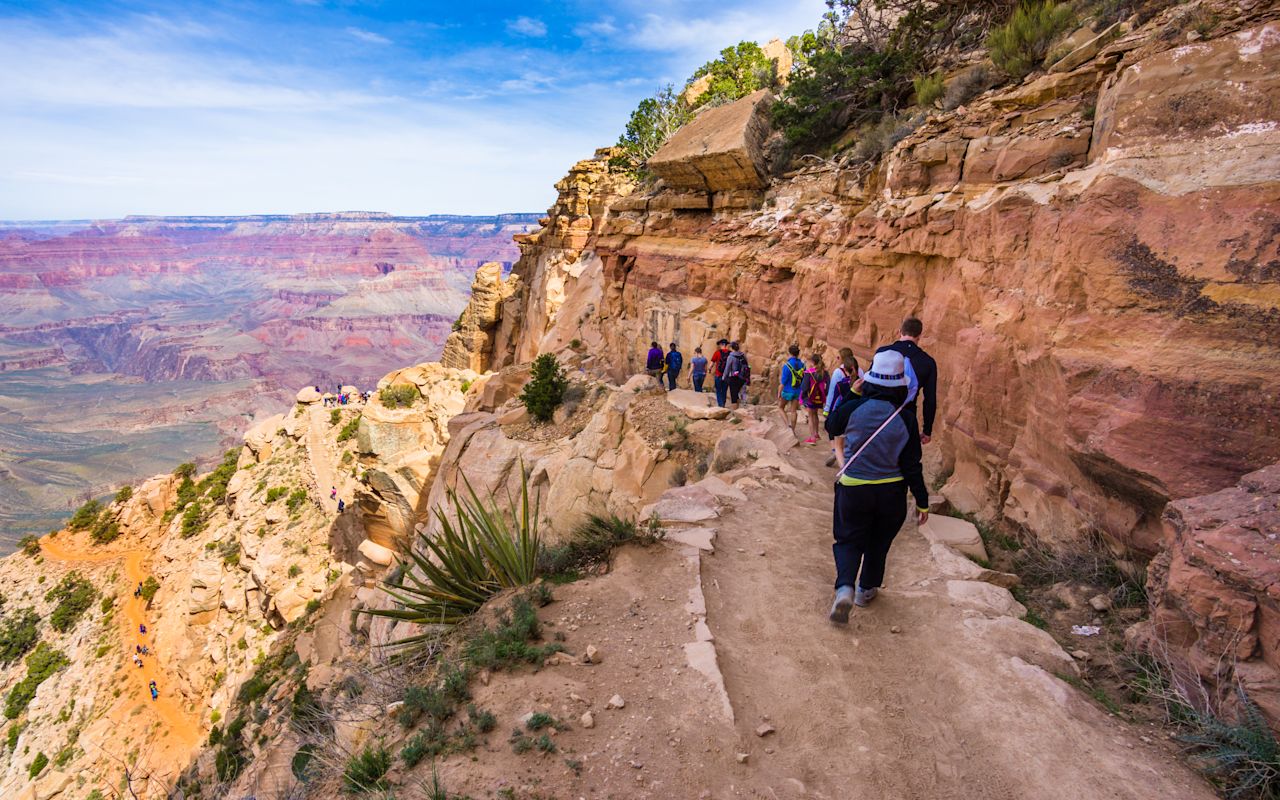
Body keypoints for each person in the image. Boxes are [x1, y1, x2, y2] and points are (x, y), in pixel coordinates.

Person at [829, 350, 929, 624]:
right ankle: (865, 590)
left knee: (848, 540)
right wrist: (922, 501)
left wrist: (852, 394)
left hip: (854, 488)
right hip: (891, 492)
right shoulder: (906, 418)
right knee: (879, 543)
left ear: (870, 380)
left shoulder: (853, 408)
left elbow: (832, 425)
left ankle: (845, 587)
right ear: (900, 385)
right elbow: (912, 465)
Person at [876, 317, 938, 458]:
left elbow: (869, 384)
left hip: (878, 414)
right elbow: (930, 400)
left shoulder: (881, 353)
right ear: (919, 336)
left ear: (900, 332)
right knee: (907, 461)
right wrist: (927, 430)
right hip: (906, 418)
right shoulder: (927, 362)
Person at [824, 349, 859, 466]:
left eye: (838, 357)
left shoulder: (840, 379)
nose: (837, 359)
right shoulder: (861, 377)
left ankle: (840, 463)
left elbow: (833, 396)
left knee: (837, 441)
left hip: (843, 412)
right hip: (858, 413)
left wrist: (828, 411)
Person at [800, 353, 829, 445]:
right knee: (815, 413)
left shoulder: (809, 373)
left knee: (810, 416)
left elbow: (804, 387)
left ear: (812, 362)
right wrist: (824, 394)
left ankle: (812, 438)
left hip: (810, 397)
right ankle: (816, 434)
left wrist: (803, 397)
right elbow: (828, 386)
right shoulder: (825, 372)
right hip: (819, 396)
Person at [777, 345, 805, 434]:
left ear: (789, 353)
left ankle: (788, 424)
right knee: (793, 411)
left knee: (780, 407)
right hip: (797, 391)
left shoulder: (787, 365)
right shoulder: (802, 365)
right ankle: (793, 430)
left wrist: (779, 393)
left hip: (787, 391)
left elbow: (783, 382)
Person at [722, 342, 750, 410]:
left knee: (734, 396)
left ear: (731, 348)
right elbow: (746, 366)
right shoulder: (743, 355)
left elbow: (727, 369)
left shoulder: (731, 357)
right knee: (739, 394)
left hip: (734, 378)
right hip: (742, 378)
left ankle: (735, 412)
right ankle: (740, 408)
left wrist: (724, 377)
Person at [710, 339, 731, 407]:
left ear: (721, 344)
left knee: (718, 390)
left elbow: (712, 362)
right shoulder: (730, 353)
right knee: (724, 390)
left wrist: (709, 369)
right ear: (726, 345)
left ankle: (720, 404)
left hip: (718, 374)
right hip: (727, 375)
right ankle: (723, 403)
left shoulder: (717, 352)